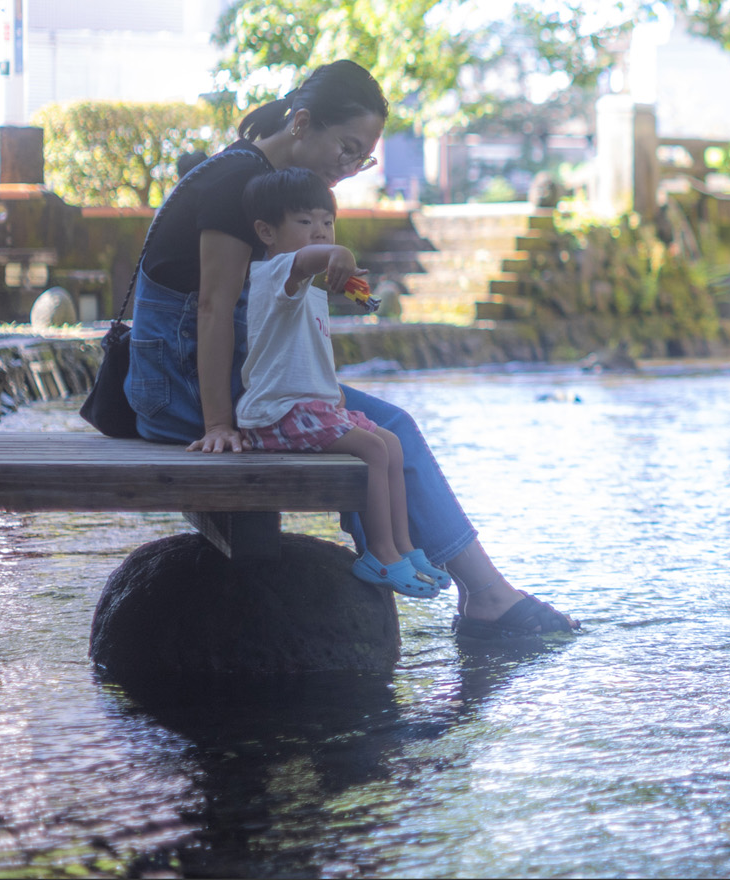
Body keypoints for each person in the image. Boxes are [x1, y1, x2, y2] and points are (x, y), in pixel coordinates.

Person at [123, 59, 577, 638]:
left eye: (362, 158)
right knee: (387, 428)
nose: (350, 166)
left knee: (389, 427)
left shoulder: (275, 188)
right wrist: (216, 423)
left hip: (226, 374)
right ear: (303, 123)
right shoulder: (237, 184)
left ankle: (433, 569)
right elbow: (212, 309)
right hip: (181, 388)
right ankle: (473, 588)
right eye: (346, 148)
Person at [236, 167, 445, 598]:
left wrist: (340, 270)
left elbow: (313, 266)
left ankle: (404, 546)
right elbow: (305, 261)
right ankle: (381, 555)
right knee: (371, 449)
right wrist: (338, 253)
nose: (320, 231)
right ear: (266, 231)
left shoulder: (307, 288)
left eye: (327, 222)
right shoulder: (274, 273)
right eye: (304, 222)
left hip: (310, 409)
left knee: (388, 441)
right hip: (276, 412)